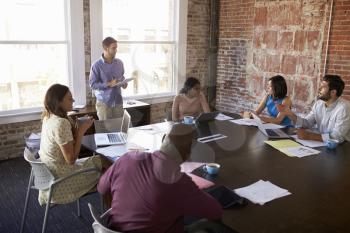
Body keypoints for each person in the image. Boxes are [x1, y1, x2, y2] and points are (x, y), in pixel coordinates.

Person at [98, 124, 236, 233]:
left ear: (164, 139)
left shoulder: (128, 158)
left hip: (112, 229)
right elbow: (215, 211)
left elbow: (102, 188)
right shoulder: (179, 183)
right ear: (187, 154)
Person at [38, 84, 107, 205]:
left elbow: (64, 142)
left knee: (100, 160)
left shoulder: (48, 117)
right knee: (108, 165)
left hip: (51, 173)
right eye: (70, 98)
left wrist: (77, 128)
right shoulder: (60, 123)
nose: (73, 101)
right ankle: (113, 208)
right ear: (59, 102)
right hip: (62, 181)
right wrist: (81, 132)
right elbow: (71, 160)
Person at [282, 74, 350, 142]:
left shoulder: (344, 108)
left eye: (323, 87)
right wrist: (289, 114)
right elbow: (307, 123)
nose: (319, 89)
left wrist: (309, 136)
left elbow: (337, 136)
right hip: (321, 143)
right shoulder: (319, 104)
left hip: (341, 147)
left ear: (333, 92)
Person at [89, 37, 128, 120]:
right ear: (106, 48)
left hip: (118, 102)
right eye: (113, 48)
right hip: (104, 104)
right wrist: (109, 84)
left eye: (116, 47)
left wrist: (124, 83)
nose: (116, 50)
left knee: (119, 129)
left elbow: (122, 78)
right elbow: (92, 85)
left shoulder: (120, 63)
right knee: (105, 131)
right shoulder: (96, 65)